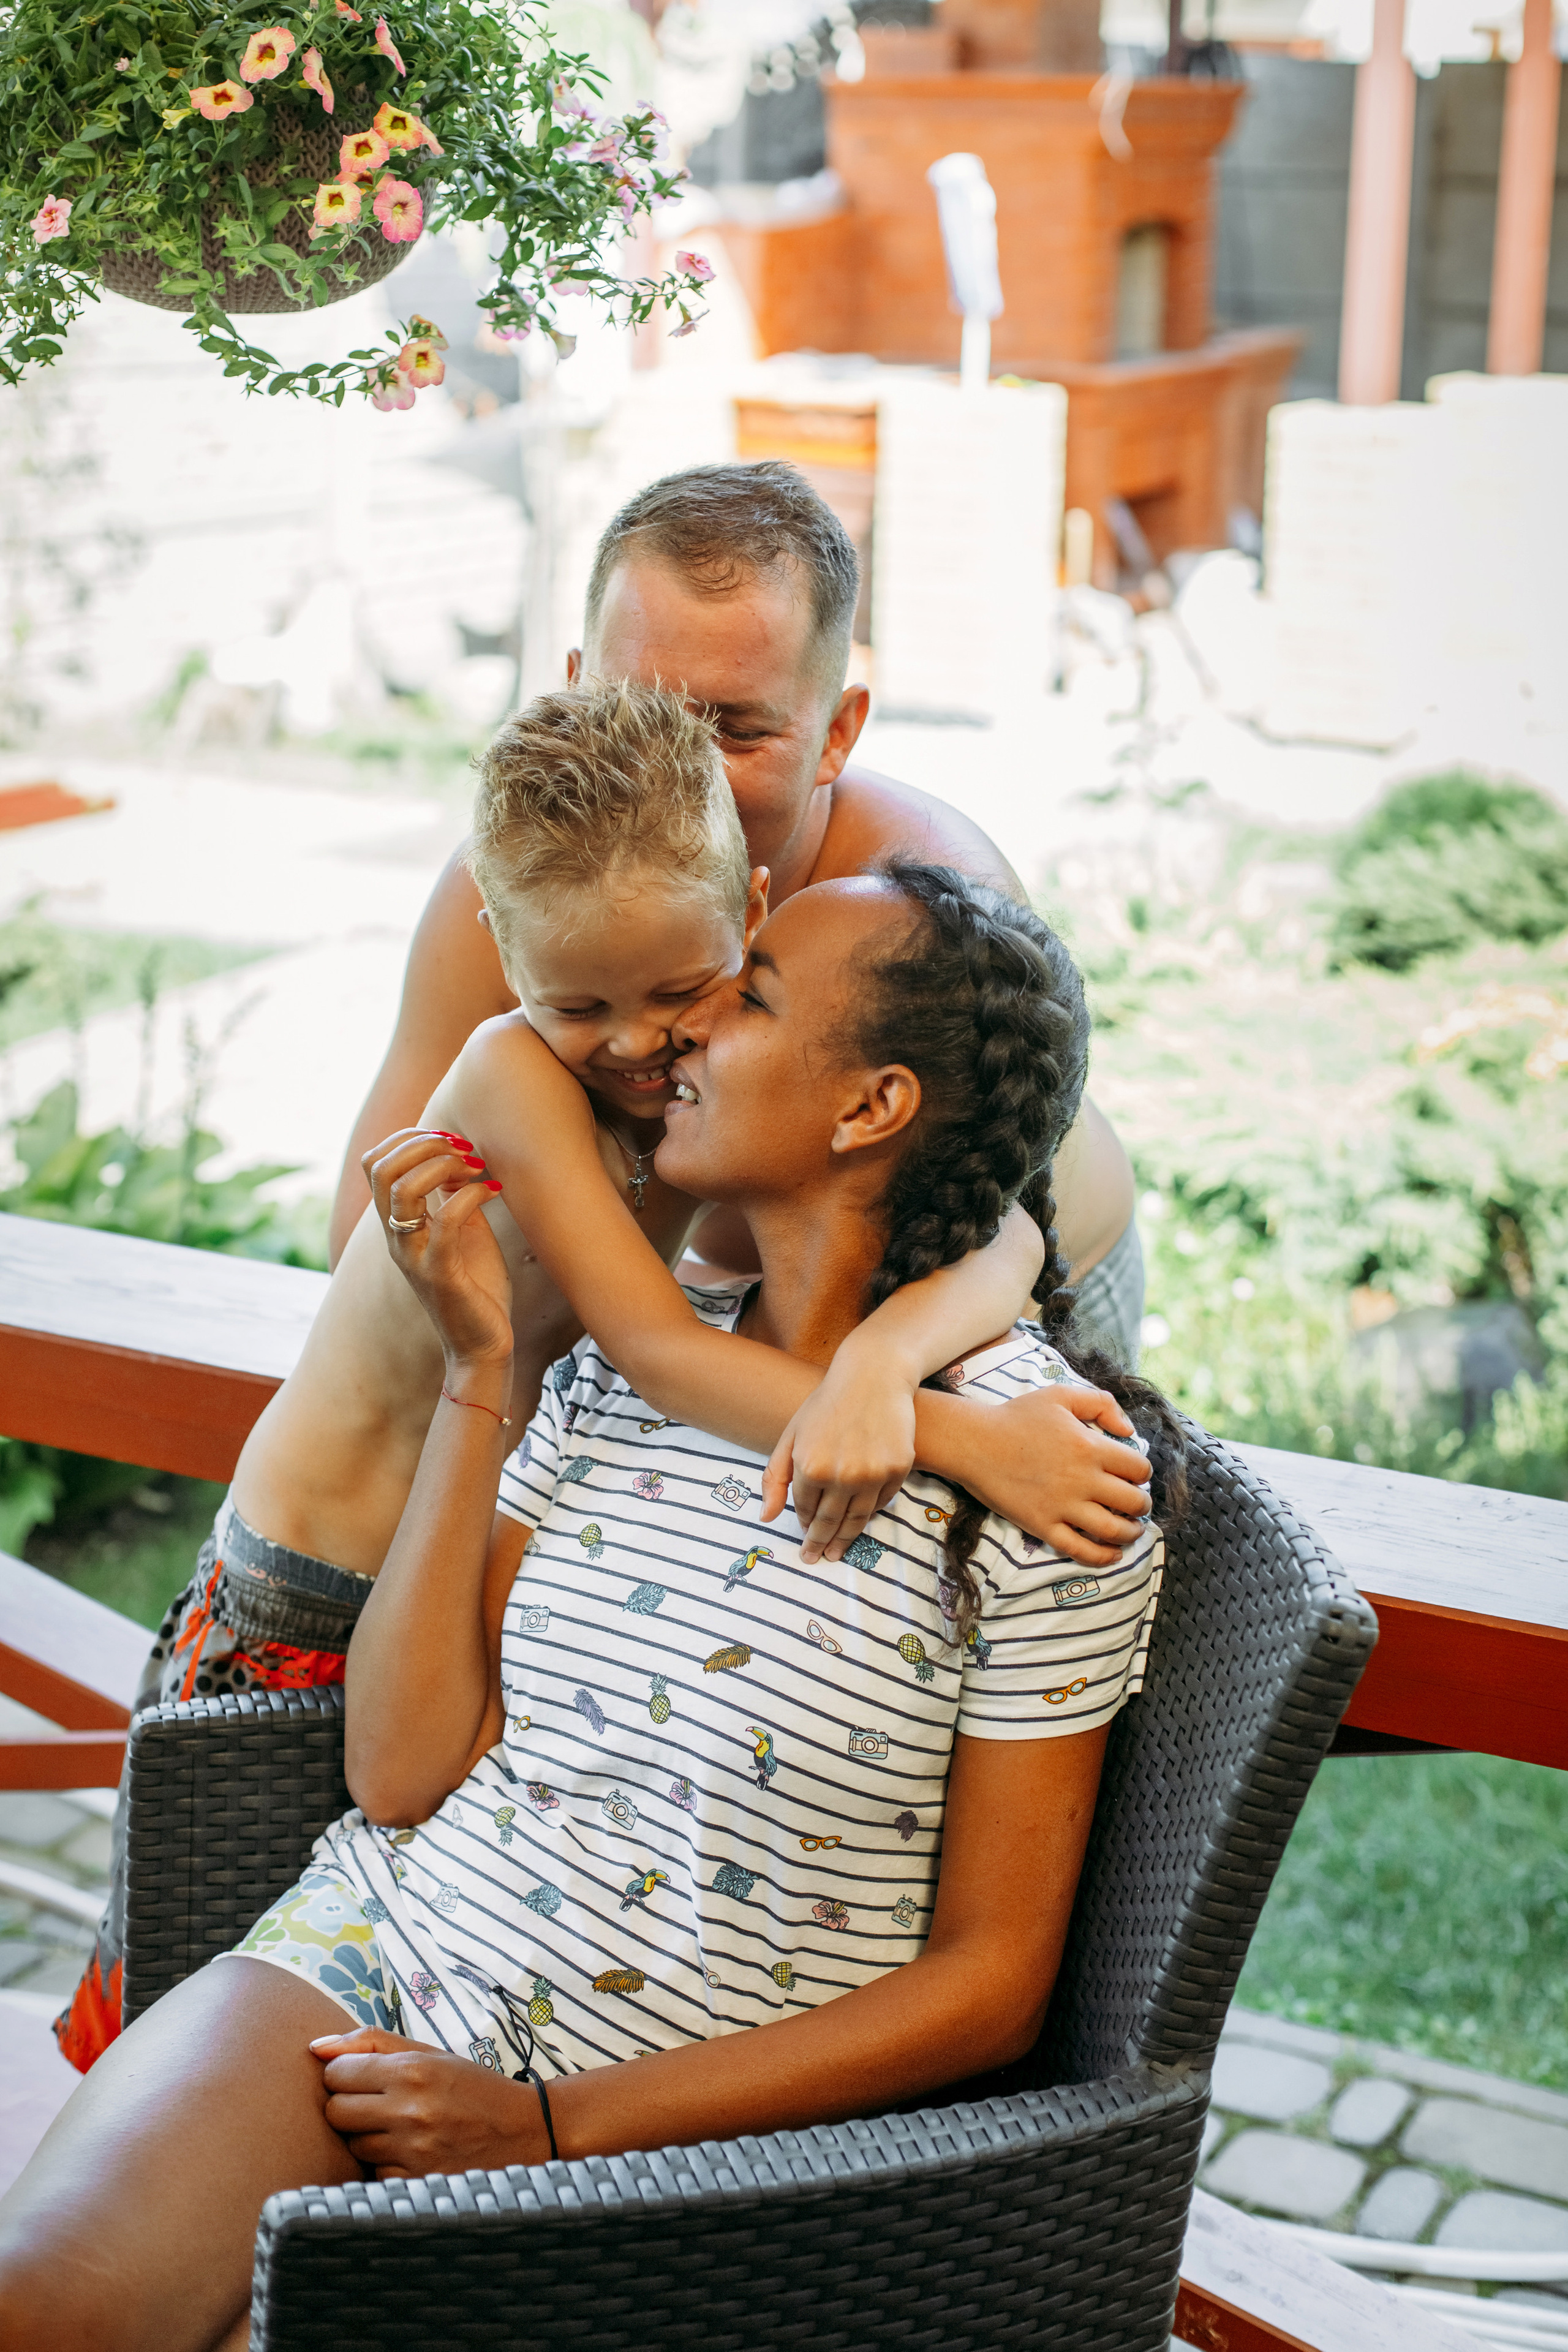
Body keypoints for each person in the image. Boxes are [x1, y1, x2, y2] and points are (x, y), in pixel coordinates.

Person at [0, 861, 1176, 2352]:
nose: (676, 1036)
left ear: (869, 1107)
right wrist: (487, 1373)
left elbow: (991, 1989)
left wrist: (548, 2123)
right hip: (378, 1960)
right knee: (37, 2313)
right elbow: (403, 1772)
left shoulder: (1039, 1476)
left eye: (743, 1001)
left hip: (671, 2146)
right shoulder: (628, 1361)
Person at [55, 682, 1153, 2075]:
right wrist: (957, 1438)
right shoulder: (516, 1077)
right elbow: (659, 1351)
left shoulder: (709, 1101)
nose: (640, 1043)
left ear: (748, 912)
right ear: (505, 962)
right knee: (193, 1961)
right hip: (324, 1565)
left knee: (412, 1912)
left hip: (482, 1540)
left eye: (682, 992)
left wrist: (878, 1355)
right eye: (580, 1001)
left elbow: (1002, 1225)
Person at [327, 462, 1145, 1357]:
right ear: (570, 693)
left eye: (740, 730)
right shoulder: (517, 891)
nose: (680, 768)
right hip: (674, 1316)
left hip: (973, 1304)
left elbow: (994, 1241)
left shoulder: (922, 906)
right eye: (637, 710)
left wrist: (880, 1365)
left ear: (837, 733)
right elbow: (364, 1245)